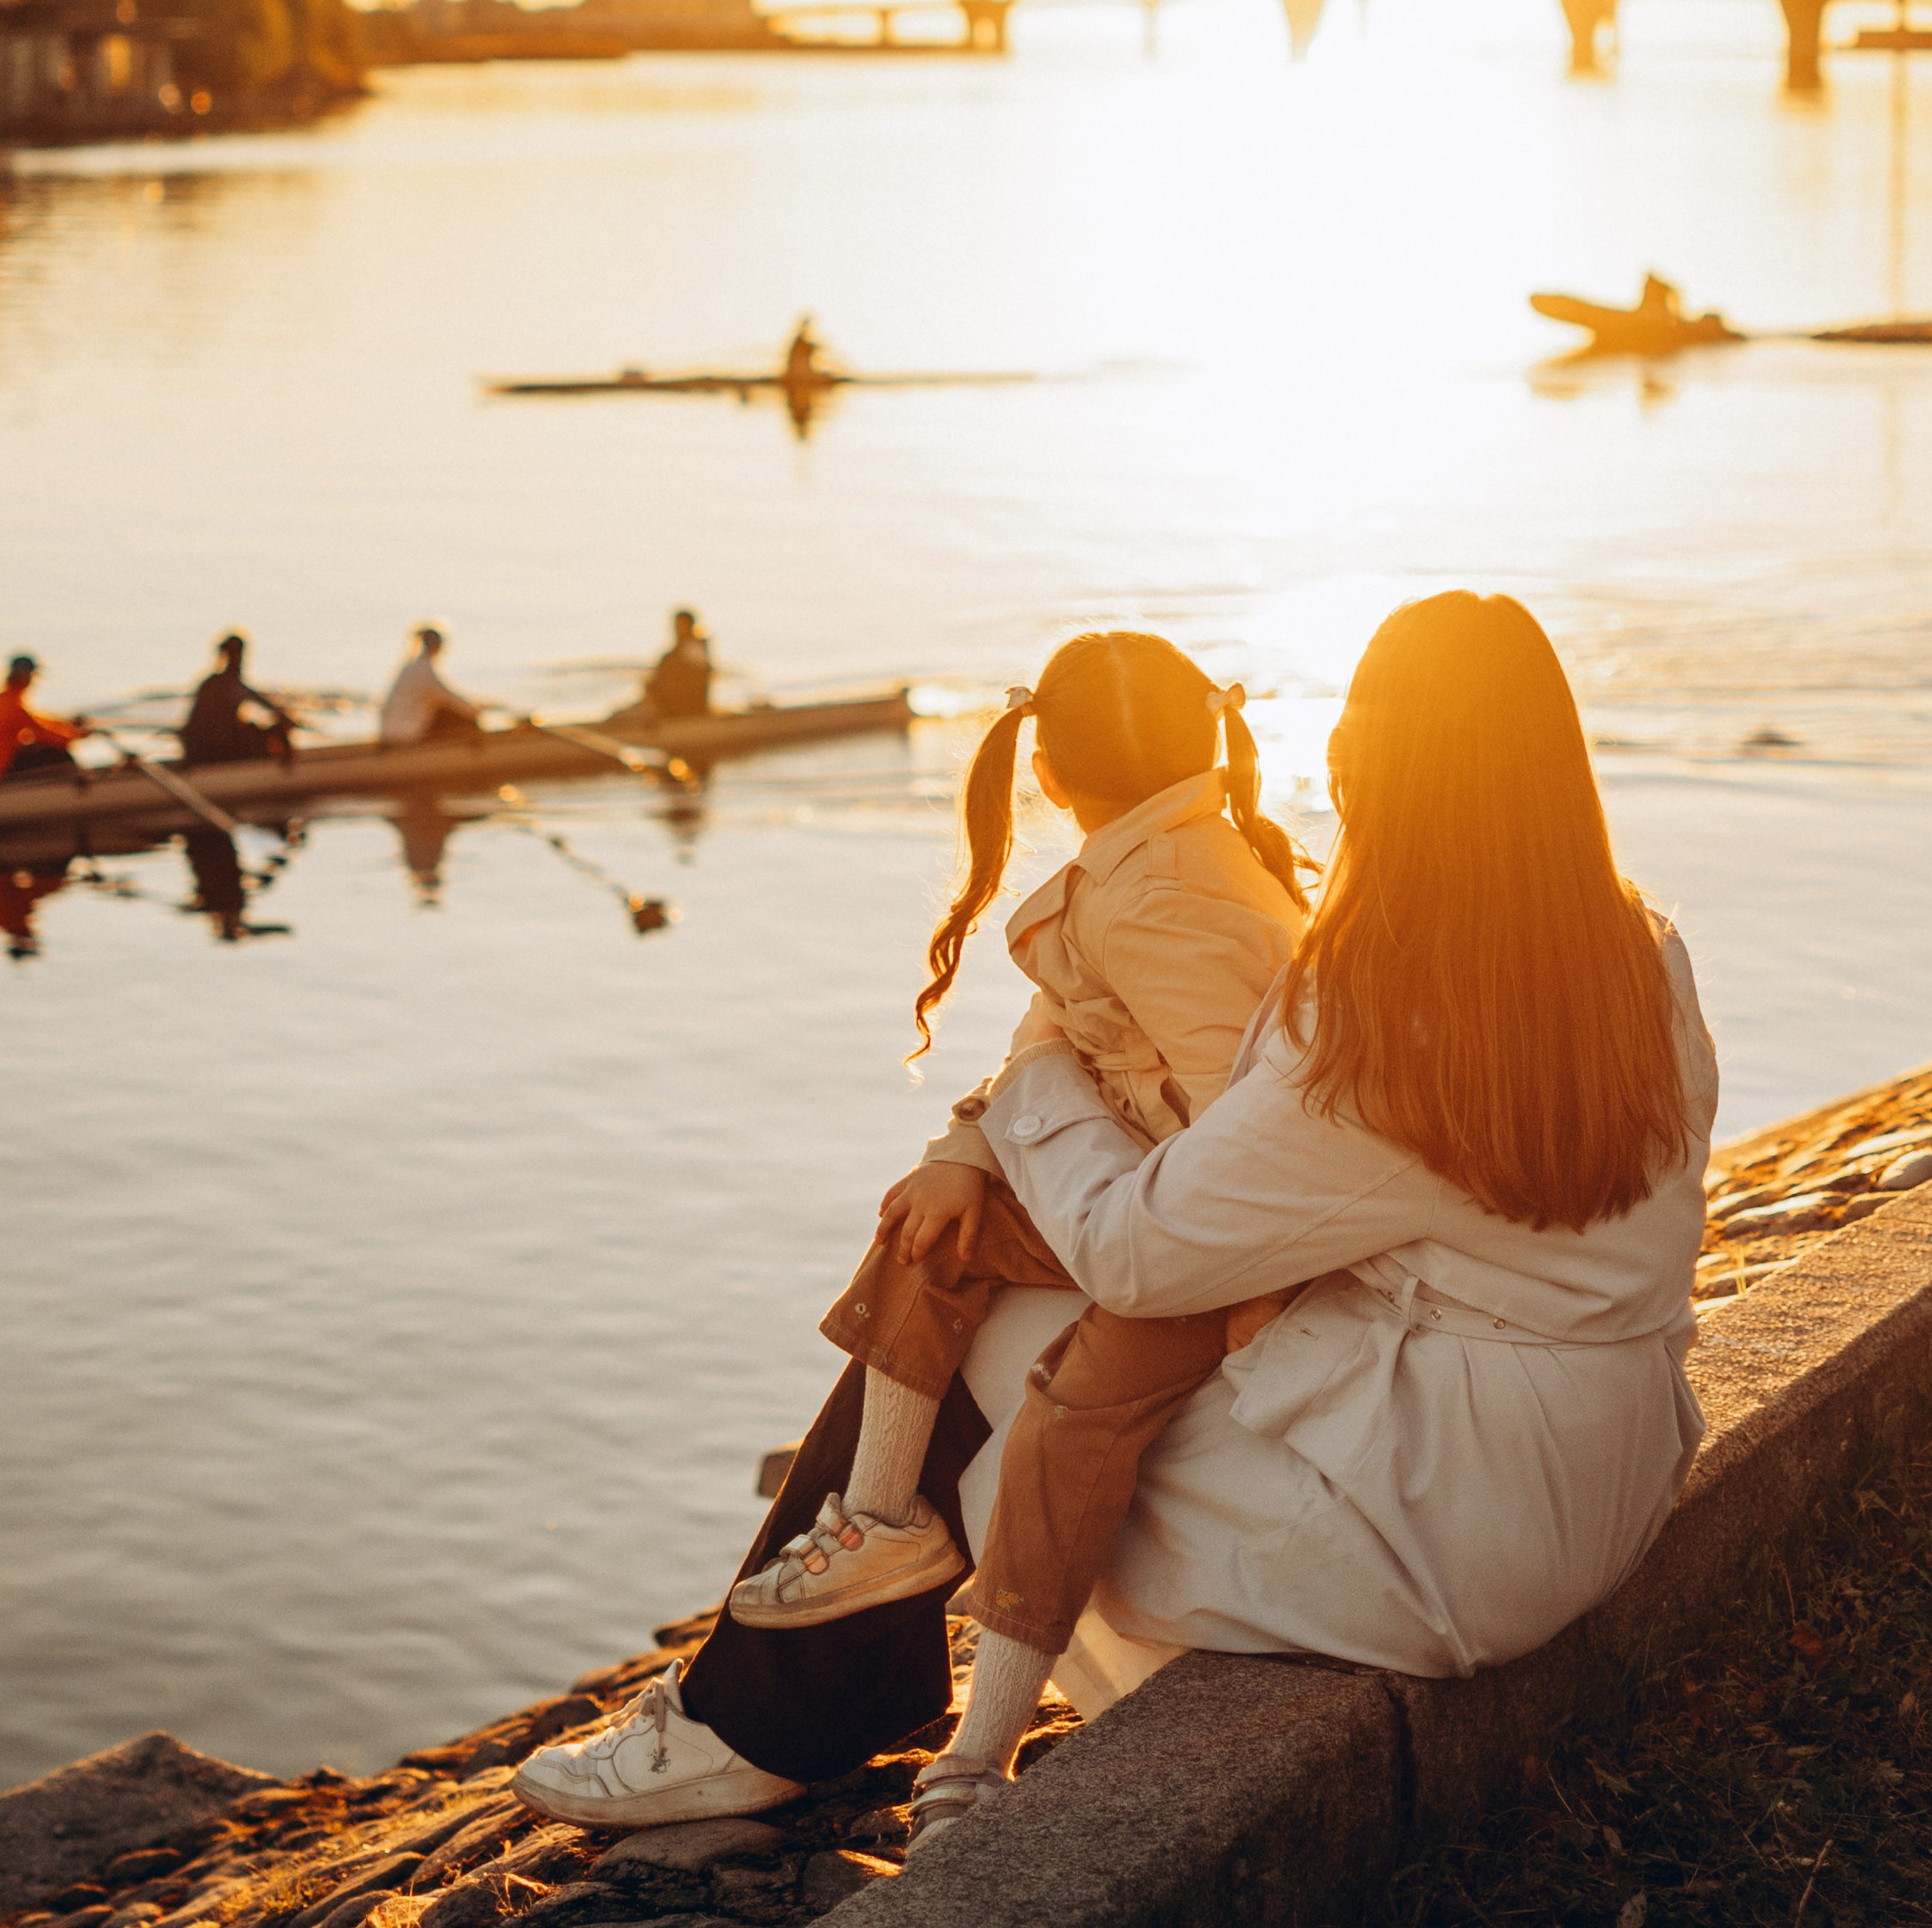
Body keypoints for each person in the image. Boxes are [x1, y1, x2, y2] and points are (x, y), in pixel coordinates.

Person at [511, 592, 1716, 1843]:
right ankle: (807, 1684)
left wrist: (1027, 1092)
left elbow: (1138, 1255)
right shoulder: (1635, 949)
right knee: (1012, 1292)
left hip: (1450, 1529)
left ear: (1374, 765)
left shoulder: (1385, 1025)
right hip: (1607, 1460)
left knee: (974, 1280)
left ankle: (758, 1721)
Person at [514, 628, 1316, 1841]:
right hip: (1140, 1201)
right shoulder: (1165, 862)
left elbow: (1241, 1136)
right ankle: (822, 1646)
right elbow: (1064, 1030)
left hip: (1177, 1235)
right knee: (933, 1228)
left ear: (1046, 768)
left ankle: (763, 1717)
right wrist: (970, 1147)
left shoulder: (1164, 892)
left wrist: (1070, 1192)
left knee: (944, 1257)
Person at [0, 656, 87, 787]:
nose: (32, 680)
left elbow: (40, 719)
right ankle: (79, 787)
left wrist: (68, 725)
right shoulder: (11, 705)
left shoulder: (5, 699)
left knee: (38, 749)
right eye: (31, 676)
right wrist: (76, 735)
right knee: (57, 753)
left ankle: (72, 784)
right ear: (22, 676)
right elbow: (43, 732)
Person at [181, 633, 296, 768]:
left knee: (254, 729)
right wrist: (287, 721)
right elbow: (265, 705)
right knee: (277, 729)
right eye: (241, 656)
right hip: (214, 751)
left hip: (197, 751)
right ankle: (287, 770)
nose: (242, 661)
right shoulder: (230, 684)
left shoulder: (210, 682)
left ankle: (285, 766)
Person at [380, 625, 482, 745]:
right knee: (457, 714)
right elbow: (449, 696)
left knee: (444, 710)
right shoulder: (424, 670)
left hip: (390, 731)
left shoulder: (410, 667)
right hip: (406, 734)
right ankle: (476, 749)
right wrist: (475, 711)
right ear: (436, 646)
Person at [639, 609, 713, 721]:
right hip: (668, 709)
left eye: (682, 626)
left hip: (682, 711)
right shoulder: (676, 653)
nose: (678, 630)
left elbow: (698, 680)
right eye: (677, 626)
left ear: (691, 626)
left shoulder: (694, 650)